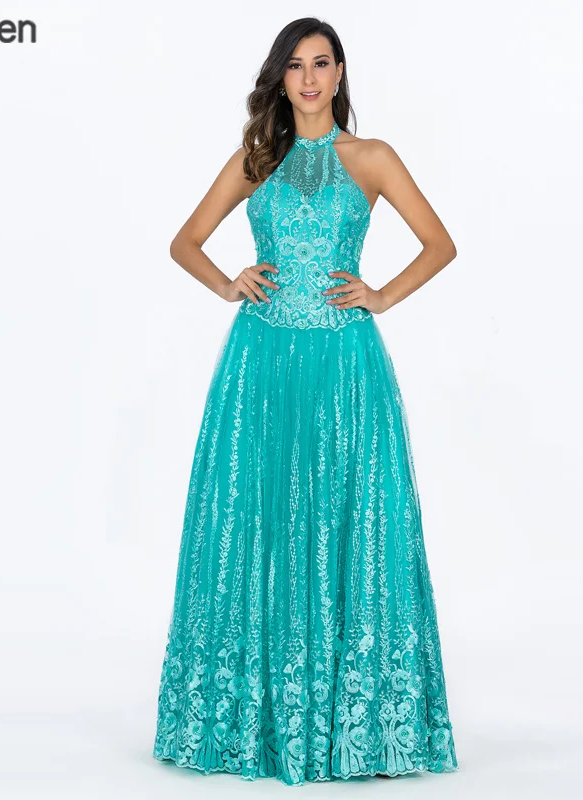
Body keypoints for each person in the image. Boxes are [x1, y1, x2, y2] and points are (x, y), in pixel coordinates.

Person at [152, 17, 459, 786]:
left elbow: (440, 243)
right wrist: (229, 283)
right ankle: (258, 721)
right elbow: (185, 241)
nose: (311, 78)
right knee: (261, 522)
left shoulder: (372, 158)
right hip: (261, 366)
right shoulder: (257, 158)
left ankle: (355, 728)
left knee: (350, 520)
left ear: (340, 73)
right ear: (280, 78)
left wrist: (380, 295)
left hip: (346, 369)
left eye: (323, 63)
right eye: (296, 65)